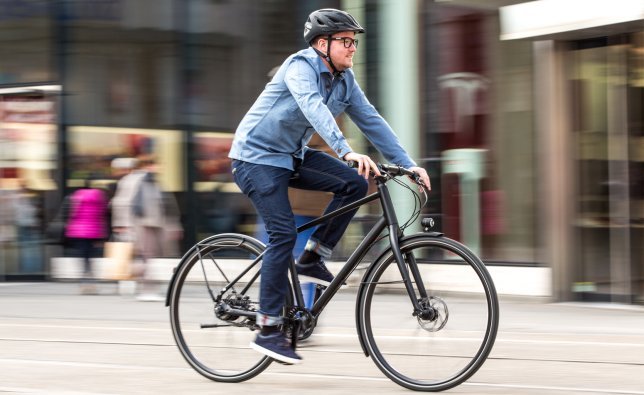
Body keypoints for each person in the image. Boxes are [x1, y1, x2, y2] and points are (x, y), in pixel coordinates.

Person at [228, 8, 431, 365]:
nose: (353, 48)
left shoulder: (344, 80)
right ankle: (268, 329)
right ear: (323, 44)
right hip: (255, 159)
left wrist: (408, 162)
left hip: (291, 156)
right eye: (346, 41)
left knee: (355, 182)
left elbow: (371, 119)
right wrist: (346, 150)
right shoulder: (299, 67)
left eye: (355, 42)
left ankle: (313, 258)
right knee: (282, 235)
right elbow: (312, 109)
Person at [65, 175, 109, 294]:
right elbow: (103, 214)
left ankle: (84, 284)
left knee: (83, 258)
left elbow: (72, 213)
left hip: (79, 231)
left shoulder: (77, 196)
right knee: (91, 257)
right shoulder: (100, 197)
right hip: (94, 231)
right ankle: (92, 283)